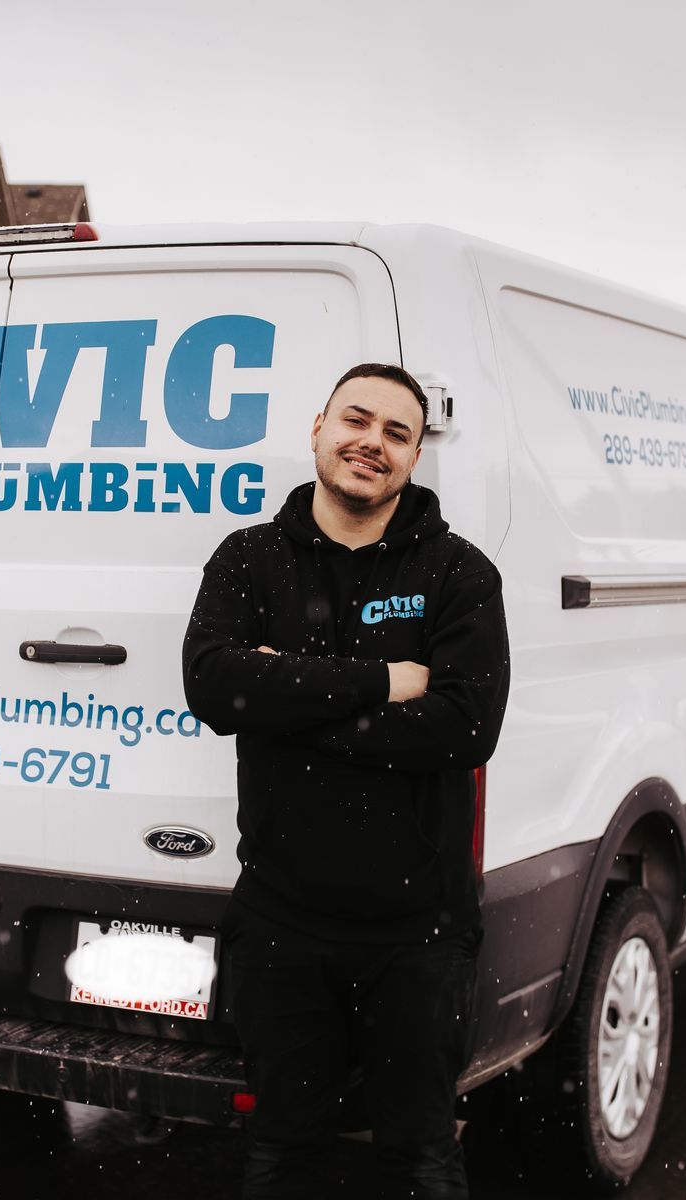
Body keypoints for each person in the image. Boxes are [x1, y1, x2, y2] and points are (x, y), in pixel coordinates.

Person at [182, 362, 510, 1199]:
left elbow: (467, 729)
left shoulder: (460, 575)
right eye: (357, 421)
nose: (373, 443)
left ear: (415, 454)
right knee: (283, 1155)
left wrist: (285, 698)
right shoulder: (249, 558)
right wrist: (378, 684)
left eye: (397, 432)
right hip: (280, 921)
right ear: (319, 428)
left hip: (418, 936)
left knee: (420, 1158)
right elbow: (215, 688)